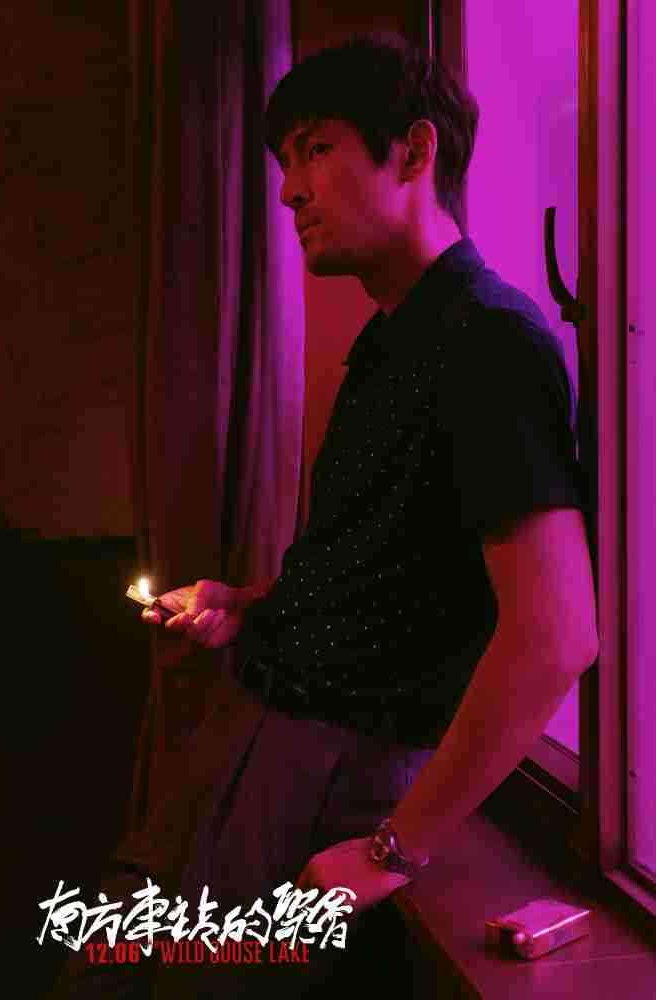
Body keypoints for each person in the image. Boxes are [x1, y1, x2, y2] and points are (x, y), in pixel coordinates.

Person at [49, 31, 598, 998]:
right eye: (283, 161)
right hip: (260, 734)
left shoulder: (488, 340)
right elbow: (386, 566)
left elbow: (557, 633)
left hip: (329, 764)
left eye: (315, 149)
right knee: (108, 967)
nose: (289, 191)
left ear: (414, 152)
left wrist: (394, 850)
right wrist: (250, 604)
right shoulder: (395, 337)